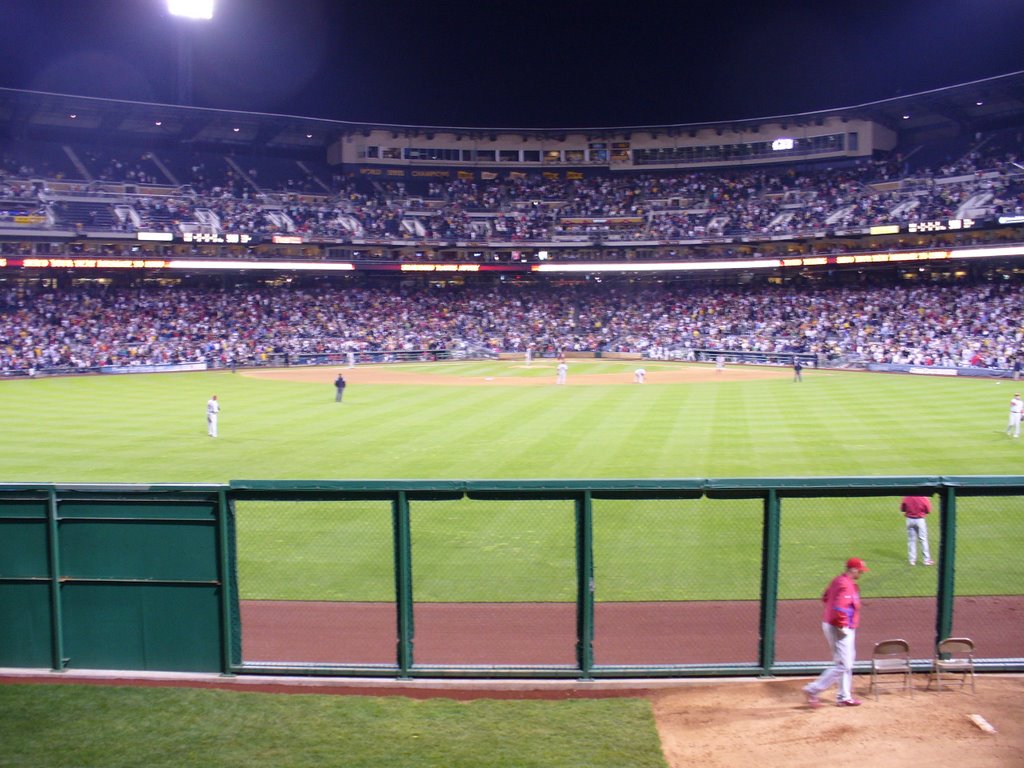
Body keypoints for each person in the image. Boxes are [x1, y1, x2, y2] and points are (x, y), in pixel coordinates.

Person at [802, 557, 869, 708]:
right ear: (853, 570)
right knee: (843, 665)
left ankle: (844, 697)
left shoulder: (839, 580)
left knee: (847, 663)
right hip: (839, 627)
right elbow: (839, 607)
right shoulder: (845, 585)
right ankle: (812, 690)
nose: (861, 574)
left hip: (840, 625)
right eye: (860, 571)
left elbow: (825, 597)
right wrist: (841, 625)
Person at [901, 496, 933, 565]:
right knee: (923, 539)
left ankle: (912, 560)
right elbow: (928, 510)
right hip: (920, 520)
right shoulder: (923, 497)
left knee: (911, 540)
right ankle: (926, 560)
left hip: (909, 520)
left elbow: (902, 508)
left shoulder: (907, 496)